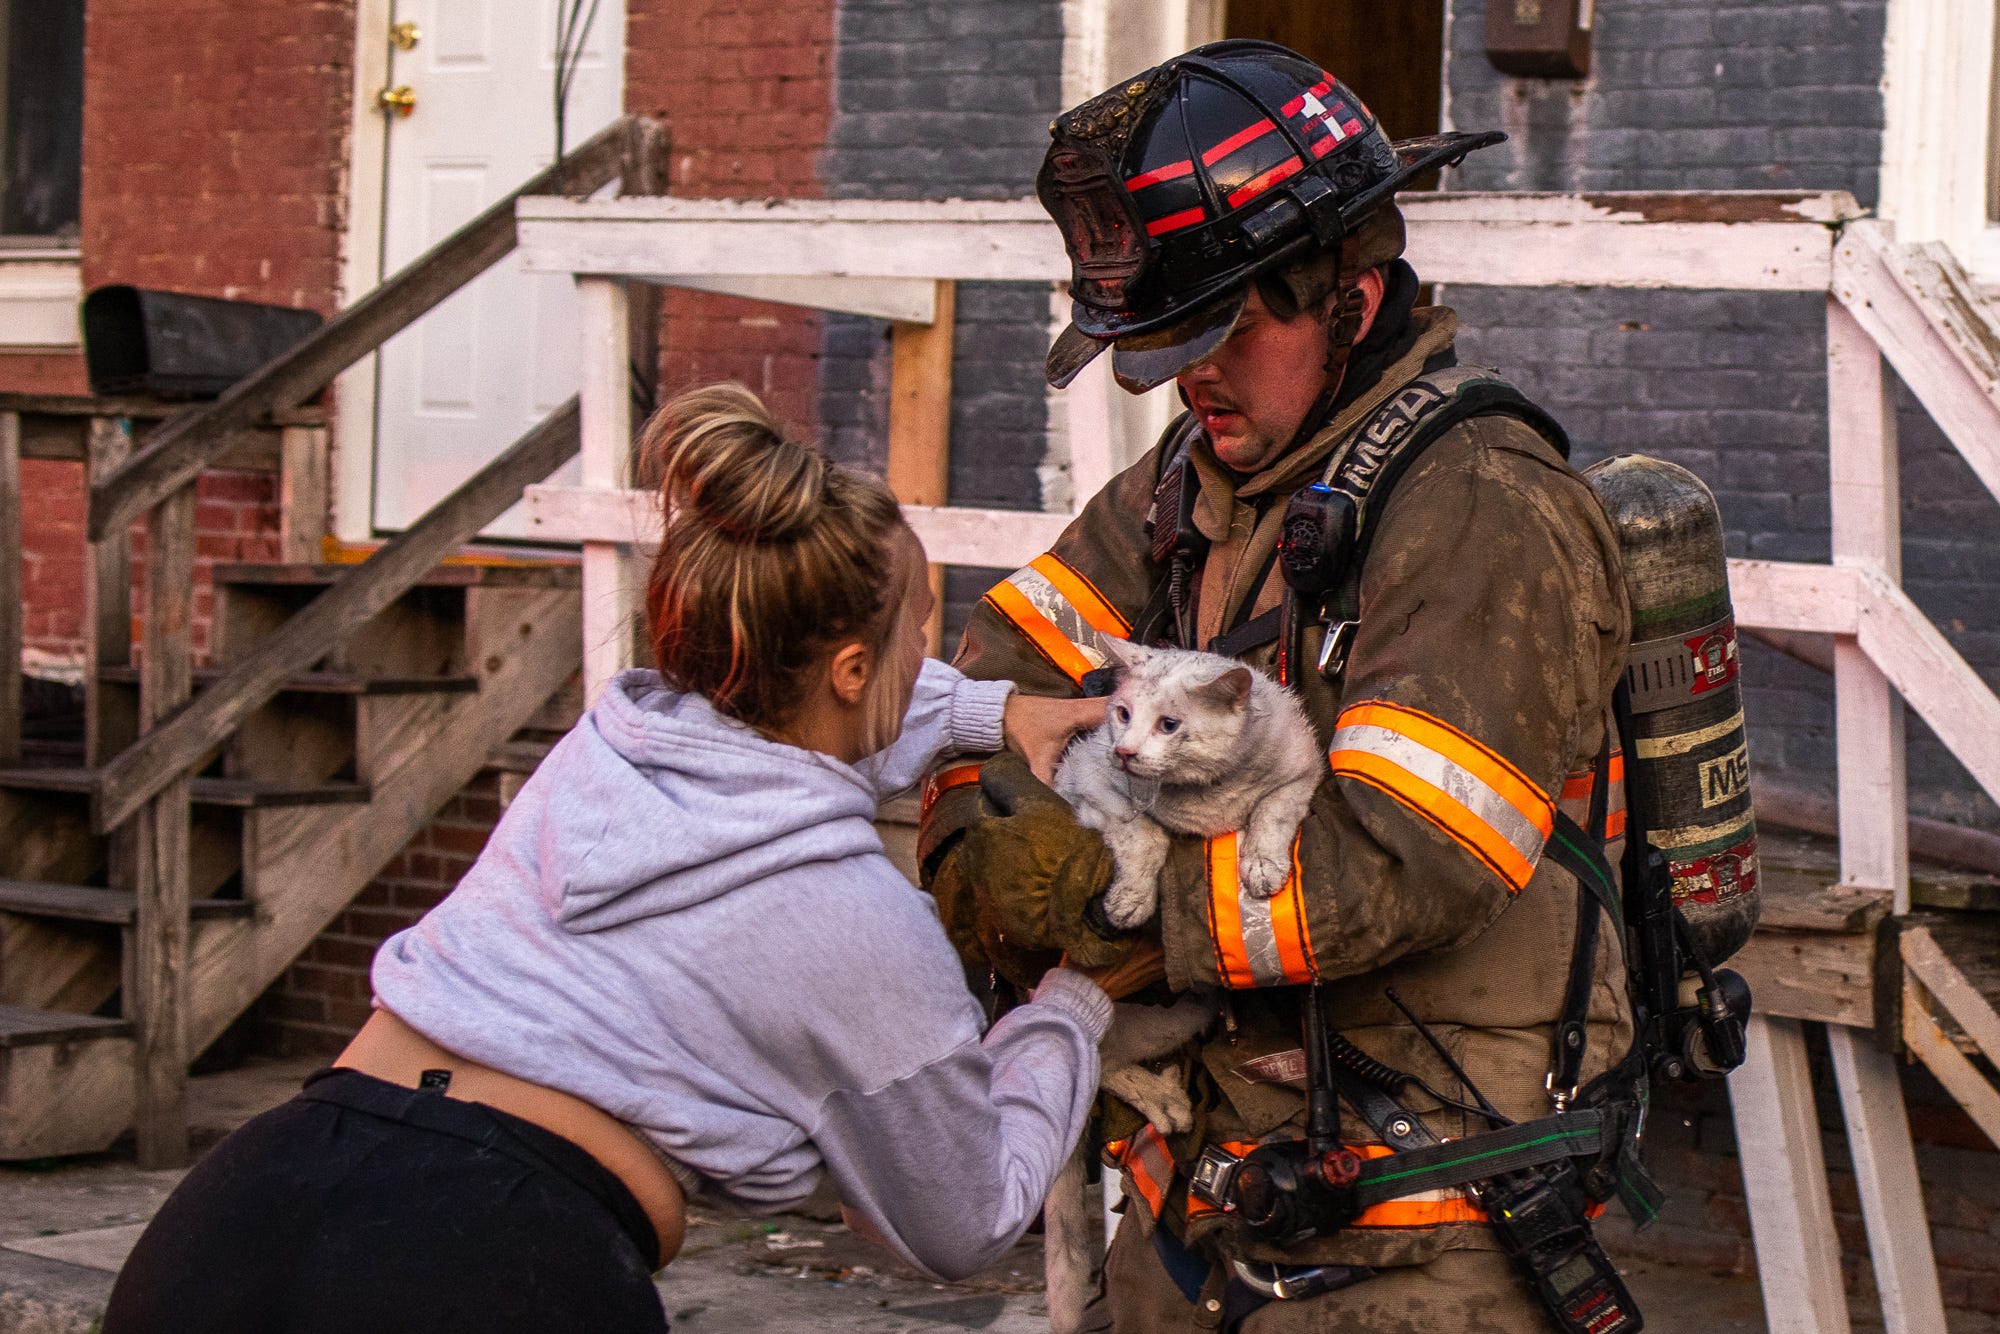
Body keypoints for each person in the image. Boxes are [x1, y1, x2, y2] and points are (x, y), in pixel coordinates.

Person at [104, 384, 1115, 1334]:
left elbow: (808, 737)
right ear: (853, 667)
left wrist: (996, 709)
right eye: (918, 633)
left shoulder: (612, 744)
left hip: (237, 1215)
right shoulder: (854, 920)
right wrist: (1075, 996)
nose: (924, 657)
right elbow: (966, 1213)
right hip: (487, 1267)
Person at [920, 41, 1638, 1332]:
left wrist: (1105, 904)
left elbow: (1396, 856)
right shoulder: (1191, 489)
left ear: (1352, 300)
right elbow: (1001, 671)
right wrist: (978, 850)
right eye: (1166, 342)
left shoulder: (1481, 506)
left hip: (1419, 1248)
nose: (1193, 375)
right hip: (1214, 1211)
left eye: (1231, 328)